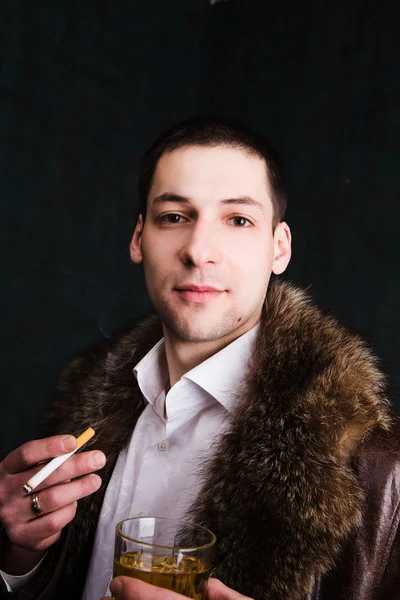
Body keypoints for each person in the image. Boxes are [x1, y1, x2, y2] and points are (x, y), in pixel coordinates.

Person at [0, 116, 399, 600]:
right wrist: (19, 557)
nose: (198, 250)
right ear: (138, 239)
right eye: (174, 217)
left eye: (238, 220)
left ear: (279, 248)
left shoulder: (375, 469)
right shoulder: (79, 418)